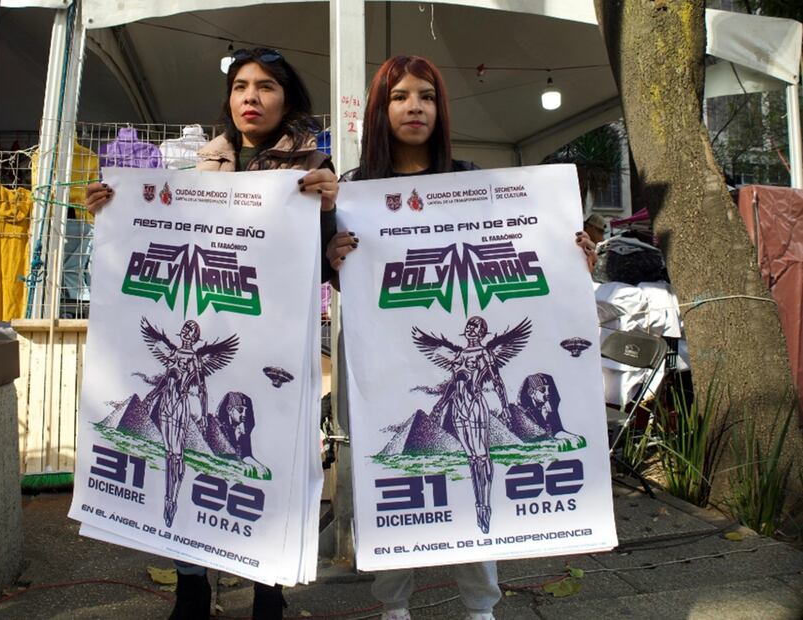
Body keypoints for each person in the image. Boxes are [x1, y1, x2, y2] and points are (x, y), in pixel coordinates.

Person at [327, 55, 595, 620]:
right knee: (394, 479)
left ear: (439, 108)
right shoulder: (354, 190)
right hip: (380, 370)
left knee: (483, 473)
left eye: (425, 95)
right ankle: (392, 606)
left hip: (472, 399)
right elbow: (324, 273)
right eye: (399, 96)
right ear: (381, 108)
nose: (414, 106)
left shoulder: (472, 179)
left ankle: (480, 607)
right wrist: (331, 259)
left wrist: (572, 254)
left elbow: (529, 243)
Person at [85, 47, 338, 620]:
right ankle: (192, 586)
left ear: (287, 99)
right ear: (229, 100)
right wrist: (109, 211)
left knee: (264, 451)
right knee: (195, 456)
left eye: (267, 86)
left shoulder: (314, 171)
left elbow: (327, 268)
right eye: (242, 86)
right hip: (207, 329)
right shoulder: (202, 167)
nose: (252, 96)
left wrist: (326, 212)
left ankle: (267, 587)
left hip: (273, 345)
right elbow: (164, 238)